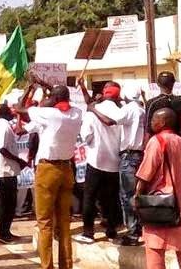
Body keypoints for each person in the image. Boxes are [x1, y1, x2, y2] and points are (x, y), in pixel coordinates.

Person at [16, 84, 83, 269]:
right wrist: (48, 88)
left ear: (53, 100)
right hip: (67, 169)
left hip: (48, 170)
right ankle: (65, 266)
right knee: (64, 223)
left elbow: (20, 107)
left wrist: (29, 88)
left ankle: (47, 266)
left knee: (44, 223)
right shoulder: (77, 113)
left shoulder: (49, 114)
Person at [135, 108, 181, 269]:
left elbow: (144, 174)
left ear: (162, 122)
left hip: (159, 206)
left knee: (155, 249)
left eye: (153, 120)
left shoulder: (157, 141)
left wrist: (137, 196)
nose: (150, 123)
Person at [76, 82, 126, 243]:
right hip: (115, 162)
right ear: (118, 95)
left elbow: (86, 136)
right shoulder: (122, 112)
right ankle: (111, 231)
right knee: (112, 198)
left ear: (104, 93)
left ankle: (88, 233)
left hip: (95, 160)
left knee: (89, 196)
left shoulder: (92, 112)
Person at [0, 103, 27, 243]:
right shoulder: (3, 127)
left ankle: (6, 231)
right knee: (7, 204)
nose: (12, 111)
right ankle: (3, 233)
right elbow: (2, 148)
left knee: (9, 203)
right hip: (6, 171)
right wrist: (18, 160)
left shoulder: (5, 125)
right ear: (4, 113)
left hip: (8, 170)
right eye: (9, 110)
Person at [117, 87, 146, 246]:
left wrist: (93, 108)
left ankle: (133, 233)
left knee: (127, 196)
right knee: (138, 194)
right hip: (140, 155)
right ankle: (140, 228)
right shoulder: (142, 110)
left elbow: (111, 119)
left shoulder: (128, 109)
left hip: (128, 156)